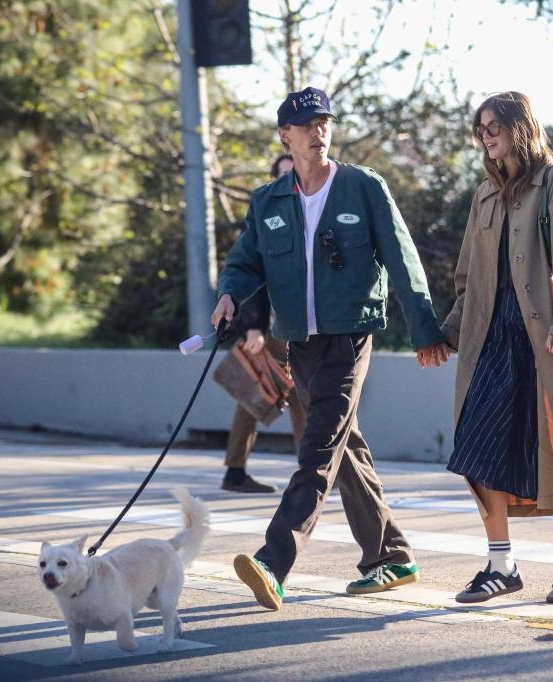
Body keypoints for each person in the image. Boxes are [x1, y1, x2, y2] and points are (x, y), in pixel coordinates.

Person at [212, 86, 452, 611]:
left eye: (324, 122)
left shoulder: (362, 187)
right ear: (285, 136)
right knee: (346, 447)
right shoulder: (268, 199)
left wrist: (426, 329)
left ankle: (274, 562)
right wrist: (229, 293)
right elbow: (245, 260)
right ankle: (391, 555)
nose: (318, 131)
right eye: (306, 124)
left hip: (349, 336)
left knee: (318, 447)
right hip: (299, 341)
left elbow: (403, 258)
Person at [440, 91, 553, 604]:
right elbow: (468, 280)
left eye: (495, 125)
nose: (487, 135)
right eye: (481, 128)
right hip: (492, 341)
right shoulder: (484, 194)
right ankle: (501, 564)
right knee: (475, 446)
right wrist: (445, 335)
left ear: (520, 126)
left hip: (550, 342)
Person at [219, 154, 306, 494]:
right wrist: (253, 327)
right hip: (270, 327)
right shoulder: (266, 209)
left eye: (294, 172)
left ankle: (306, 470)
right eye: (283, 174)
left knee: (291, 393)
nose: (290, 179)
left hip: (301, 323)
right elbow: (251, 270)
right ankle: (306, 470)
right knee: (258, 392)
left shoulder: (311, 209)